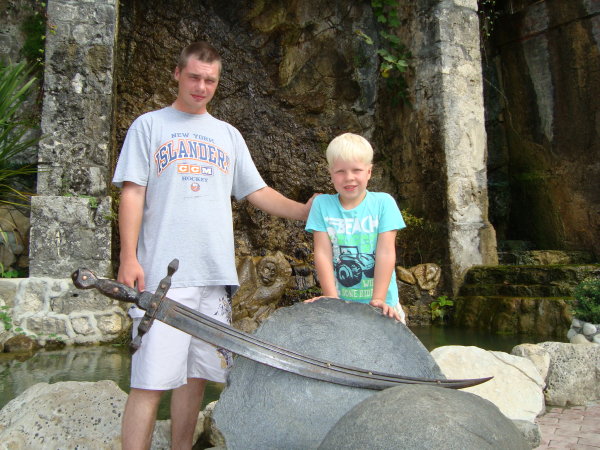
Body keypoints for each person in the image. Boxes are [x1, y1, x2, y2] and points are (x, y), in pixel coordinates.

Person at [112, 41, 313, 450]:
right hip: (164, 277)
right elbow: (132, 193)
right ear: (177, 74)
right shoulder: (149, 126)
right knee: (149, 381)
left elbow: (256, 191)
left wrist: (304, 211)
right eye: (194, 77)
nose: (201, 87)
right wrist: (128, 256)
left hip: (215, 277)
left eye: (210, 80)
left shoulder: (228, 135)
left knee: (196, 378)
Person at [305, 133, 406, 323]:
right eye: (340, 171)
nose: (349, 178)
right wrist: (331, 299)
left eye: (356, 170)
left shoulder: (384, 203)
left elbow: (385, 252)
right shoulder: (322, 205)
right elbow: (323, 253)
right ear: (330, 173)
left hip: (384, 304)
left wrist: (378, 299)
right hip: (343, 307)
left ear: (369, 172)